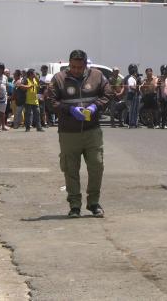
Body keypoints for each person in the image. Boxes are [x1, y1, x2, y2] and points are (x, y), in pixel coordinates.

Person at [48, 49, 113, 218]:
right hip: (69, 133)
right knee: (71, 169)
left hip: (92, 131)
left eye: (79, 67)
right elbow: (51, 102)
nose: (76, 70)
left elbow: (108, 94)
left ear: (86, 65)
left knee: (97, 166)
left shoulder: (97, 76)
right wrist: (69, 109)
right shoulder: (59, 79)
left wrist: (95, 106)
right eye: (73, 66)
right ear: (69, 64)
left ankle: (93, 203)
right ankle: (75, 205)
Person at [157, 65, 167, 129]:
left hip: (166, 97)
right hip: (160, 97)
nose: (165, 72)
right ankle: (157, 124)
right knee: (160, 111)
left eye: (166, 71)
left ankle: (164, 124)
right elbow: (156, 88)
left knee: (165, 111)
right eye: (164, 70)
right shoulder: (159, 79)